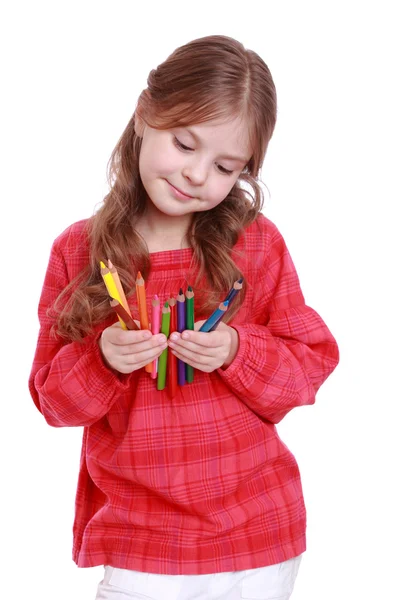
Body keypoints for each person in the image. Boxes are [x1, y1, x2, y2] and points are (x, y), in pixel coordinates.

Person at [29, 35, 339, 600]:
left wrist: (237, 351)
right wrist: (101, 359)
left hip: (259, 539)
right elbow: (53, 402)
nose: (197, 175)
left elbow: (309, 367)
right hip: (142, 542)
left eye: (224, 165)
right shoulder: (77, 251)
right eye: (184, 143)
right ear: (146, 113)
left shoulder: (257, 245)